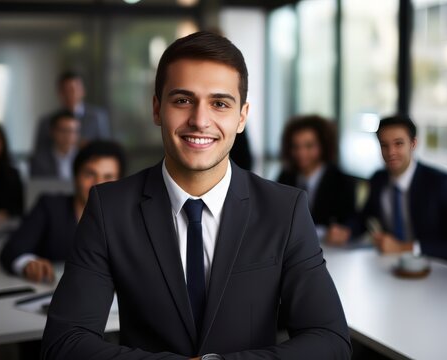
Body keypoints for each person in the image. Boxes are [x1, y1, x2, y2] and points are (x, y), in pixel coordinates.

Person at [42, 31, 350, 360]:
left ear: (242, 117)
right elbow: (64, 344)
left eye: (219, 103)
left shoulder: (284, 210)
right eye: (183, 100)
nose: (200, 121)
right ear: (157, 108)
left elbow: (329, 341)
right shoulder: (109, 209)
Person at [328, 115, 447, 268]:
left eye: (398, 144)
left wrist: (405, 248)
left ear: (413, 144)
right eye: (384, 145)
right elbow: (364, 217)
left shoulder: (443, 184)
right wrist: (346, 231)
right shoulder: (379, 179)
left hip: (437, 271)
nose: (391, 152)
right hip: (391, 268)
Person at [0, 141, 126, 282]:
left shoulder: (127, 218)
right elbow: (12, 250)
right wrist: (28, 263)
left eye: (108, 177)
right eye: (90, 174)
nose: (98, 184)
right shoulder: (49, 206)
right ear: (76, 176)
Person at [277, 115, 355, 239]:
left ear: (323, 146)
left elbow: (352, 221)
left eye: (309, 146)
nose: (301, 153)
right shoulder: (285, 178)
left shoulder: (341, 181)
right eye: (295, 147)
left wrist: (345, 231)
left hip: (332, 250)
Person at [33, 70, 111, 153]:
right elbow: (39, 152)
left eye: (74, 89)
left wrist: (88, 146)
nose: (70, 94)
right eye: (66, 90)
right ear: (59, 92)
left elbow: (105, 147)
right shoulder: (46, 121)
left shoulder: (97, 117)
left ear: (83, 91)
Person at [30, 110, 80, 179]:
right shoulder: (39, 160)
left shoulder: (84, 158)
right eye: (63, 130)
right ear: (52, 132)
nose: (67, 136)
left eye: (72, 131)